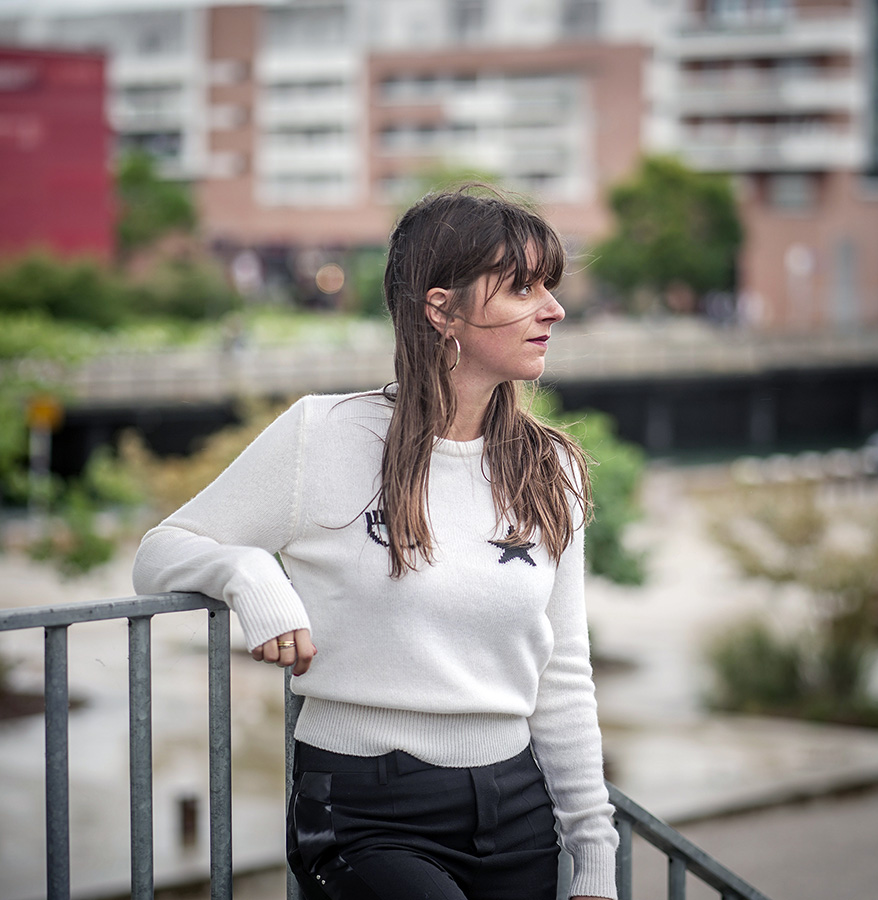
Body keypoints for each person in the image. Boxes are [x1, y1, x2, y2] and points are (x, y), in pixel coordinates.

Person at [132, 185, 619, 900]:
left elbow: (564, 673)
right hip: (368, 811)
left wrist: (594, 855)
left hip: (517, 806)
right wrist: (247, 572)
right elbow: (160, 550)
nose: (553, 308)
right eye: (521, 287)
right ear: (440, 308)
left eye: (549, 286)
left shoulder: (553, 467)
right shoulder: (322, 436)